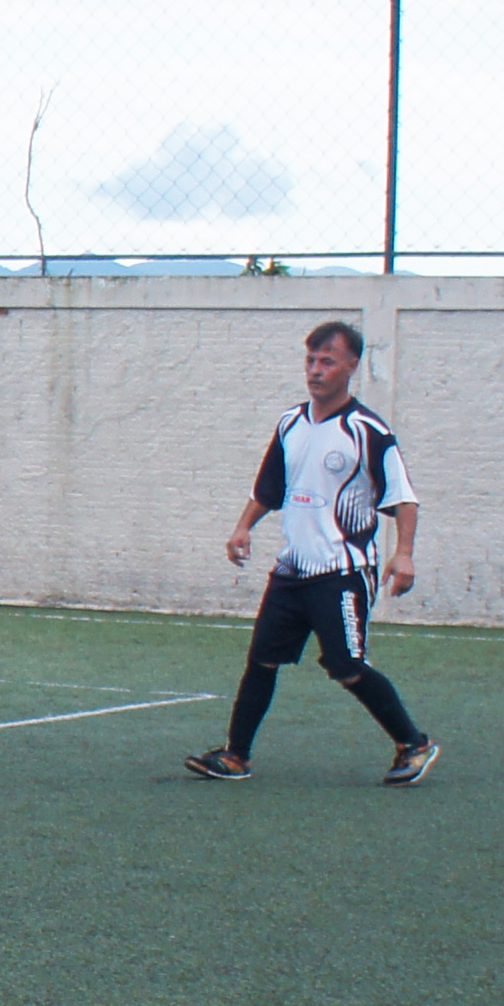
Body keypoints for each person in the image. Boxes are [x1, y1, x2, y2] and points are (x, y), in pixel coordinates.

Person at [183, 320, 436, 786]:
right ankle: (236, 756)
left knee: (346, 666)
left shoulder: (368, 431)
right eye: (311, 361)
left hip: (343, 571)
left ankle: (413, 743)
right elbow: (269, 488)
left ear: (351, 367)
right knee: (261, 660)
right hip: (291, 572)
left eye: (328, 362)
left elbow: (404, 499)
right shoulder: (290, 424)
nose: (316, 371)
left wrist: (405, 554)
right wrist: (243, 527)